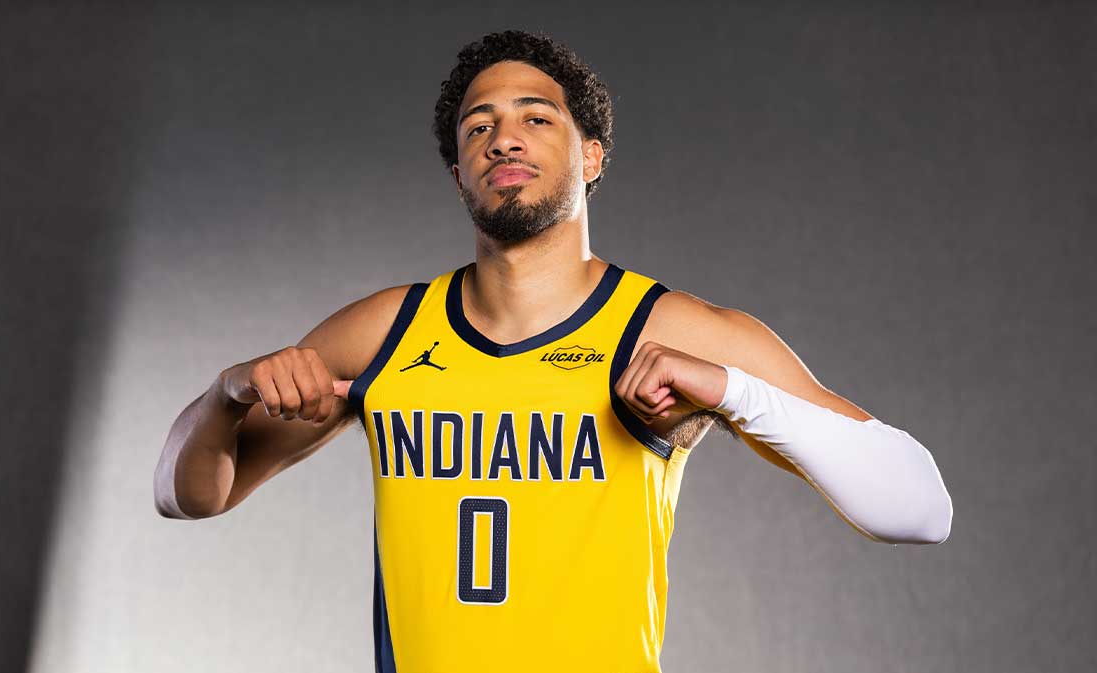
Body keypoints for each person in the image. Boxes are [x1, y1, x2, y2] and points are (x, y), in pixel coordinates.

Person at [154, 29, 952, 673]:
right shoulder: (385, 332)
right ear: (458, 173)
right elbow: (185, 494)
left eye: (536, 118)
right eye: (479, 126)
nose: (503, 138)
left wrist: (732, 390)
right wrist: (228, 395)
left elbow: (920, 509)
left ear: (591, 155)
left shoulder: (666, 329)